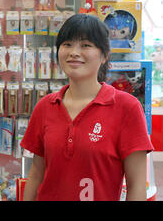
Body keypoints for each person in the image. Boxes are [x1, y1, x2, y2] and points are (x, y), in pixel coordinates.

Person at [21, 13, 153, 201]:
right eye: (67, 44)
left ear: (104, 55)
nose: (74, 52)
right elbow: (36, 174)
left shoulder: (127, 108)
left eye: (86, 45)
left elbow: (137, 186)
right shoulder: (45, 106)